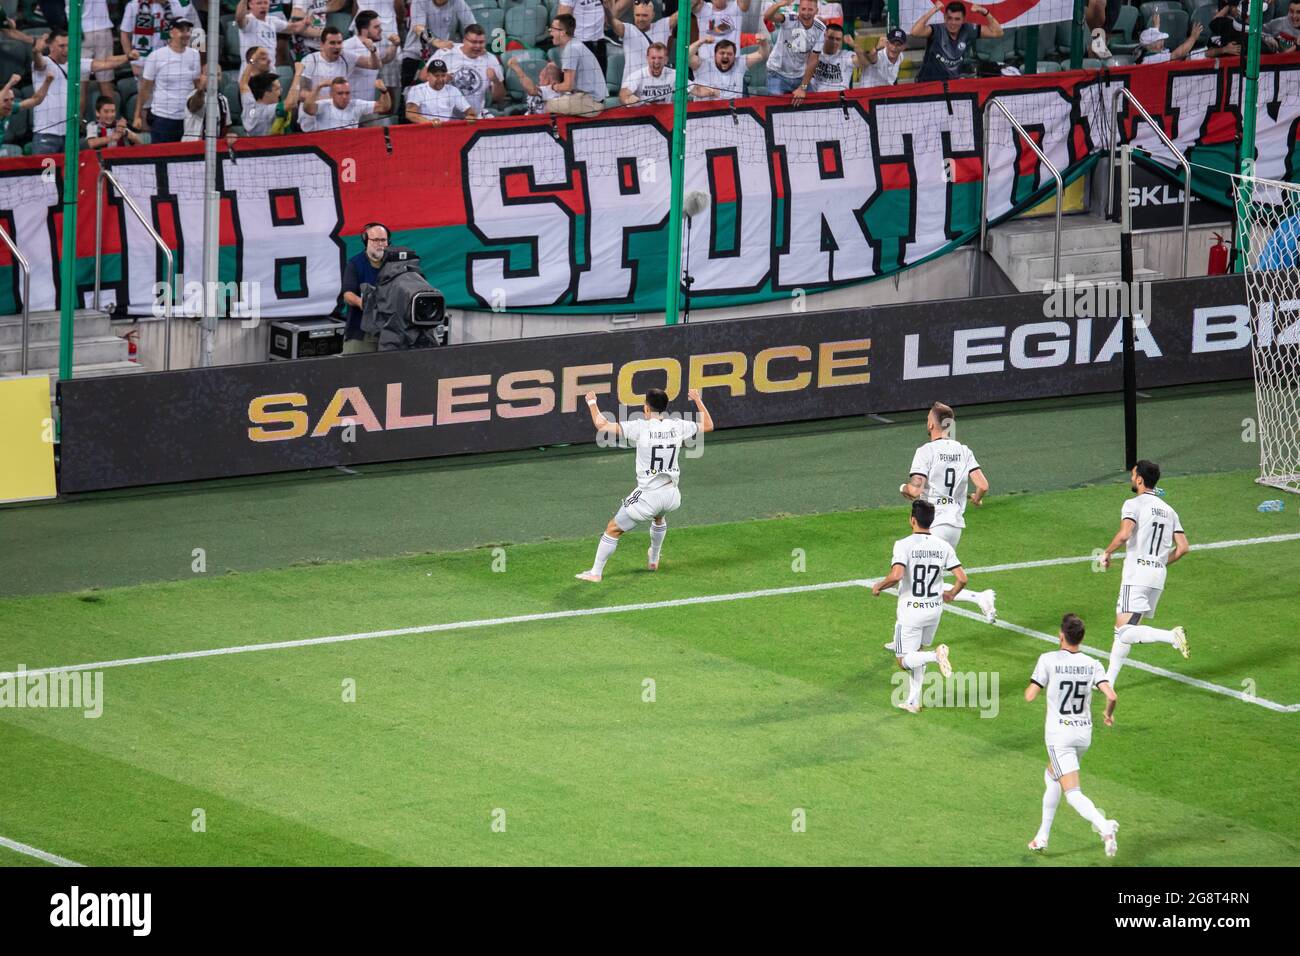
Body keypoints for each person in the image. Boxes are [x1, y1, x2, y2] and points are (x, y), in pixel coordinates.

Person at [576, 387, 713, 582]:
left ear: (646, 408)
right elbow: (708, 425)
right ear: (665, 408)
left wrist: (591, 402)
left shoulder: (640, 428)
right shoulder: (677, 425)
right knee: (659, 517)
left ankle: (595, 573)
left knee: (613, 529)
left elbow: (602, 425)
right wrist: (697, 400)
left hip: (649, 496)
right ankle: (653, 559)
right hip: (672, 495)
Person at [1025, 613, 1119, 857]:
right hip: (1083, 735)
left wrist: (1037, 686)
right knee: (1052, 775)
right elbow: (1112, 696)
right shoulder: (1093, 663)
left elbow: (1030, 695)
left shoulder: (1048, 660)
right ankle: (1042, 836)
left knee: (1073, 793)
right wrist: (1108, 715)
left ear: (1061, 635)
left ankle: (1104, 826)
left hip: (1059, 737)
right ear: (1082, 637)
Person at [898, 402, 997, 623]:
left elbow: (915, 489)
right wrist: (976, 500)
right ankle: (980, 597)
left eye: (927, 419)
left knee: (913, 578)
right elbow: (983, 485)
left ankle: (904, 642)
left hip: (933, 524)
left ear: (932, 424)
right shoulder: (963, 450)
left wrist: (903, 488)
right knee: (924, 579)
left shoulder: (926, 451)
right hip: (954, 525)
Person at [1098, 460, 1190, 687]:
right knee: (1122, 629)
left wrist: (1106, 553)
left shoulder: (1133, 504)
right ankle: (1108, 680)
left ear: (1139, 479)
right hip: (1157, 575)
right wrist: (1158, 562)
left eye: (1132, 475)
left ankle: (1171, 636)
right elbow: (1183, 548)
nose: (1131, 479)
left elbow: (1124, 534)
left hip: (1137, 574)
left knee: (1124, 632)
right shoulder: (1170, 511)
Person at [870, 498, 965, 714]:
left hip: (911, 611)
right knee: (917, 652)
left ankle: (936, 655)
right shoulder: (943, 546)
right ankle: (913, 701)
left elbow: (896, 575)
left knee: (903, 661)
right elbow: (962, 578)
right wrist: (951, 593)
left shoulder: (903, 544)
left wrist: (879, 586)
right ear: (931, 521)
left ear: (912, 520)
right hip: (934, 610)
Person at [31, 30, 136, 155]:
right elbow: (38, 62)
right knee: (47, 175)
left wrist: (128, 56)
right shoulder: (43, 63)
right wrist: (36, 51)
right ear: (51, 46)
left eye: (68, 45)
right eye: (61, 46)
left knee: (69, 174)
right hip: (46, 135)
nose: (66, 49)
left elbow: (104, 63)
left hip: (69, 135)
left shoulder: (76, 64)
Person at [133, 17, 200, 144]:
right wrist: (137, 116)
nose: (186, 34)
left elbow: (196, 86)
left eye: (188, 30)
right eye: (182, 30)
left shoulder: (194, 55)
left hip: (188, 119)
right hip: (163, 119)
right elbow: (145, 89)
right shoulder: (156, 56)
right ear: (171, 33)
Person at [300, 26, 380, 131]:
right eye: (332, 43)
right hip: (313, 114)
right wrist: (329, 101)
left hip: (337, 114)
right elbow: (301, 94)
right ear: (322, 45)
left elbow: (374, 65)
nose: (337, 46)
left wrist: (373, 50)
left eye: (339, 43)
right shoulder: (310, 60)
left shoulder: (345, 57)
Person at [912, 0, 1002, 84]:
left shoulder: (967, 29)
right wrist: (934, 9)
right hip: (928, 83)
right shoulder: (937, 30)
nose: (953, 23)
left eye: (957, 19)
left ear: (963, 20)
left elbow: (998, 32)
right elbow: (915, 32)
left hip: (951, 84)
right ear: (945, 18)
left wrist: (984, 11)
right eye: (949, 18)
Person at [402, 0, 476, 88]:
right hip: (416, 54)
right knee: (409, 92)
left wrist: (476, 42)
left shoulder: (458, 2)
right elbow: (419, 27)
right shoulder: (419, 1)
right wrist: (435, 41)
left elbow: (471, 26)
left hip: (442, 55)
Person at [341, 222, 390, 353]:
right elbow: (347, 294)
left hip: (390, 332)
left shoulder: (395, 263)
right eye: (376, 240)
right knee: (354, 370)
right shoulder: (354, 264)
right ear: (366, 241)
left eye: (383, 240)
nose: (380, 244)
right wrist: (363, 303)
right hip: (360, 332)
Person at [763, 0, 826, 102]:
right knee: (776, 108)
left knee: (813, 105)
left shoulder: (820, 29)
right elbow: (767, 17)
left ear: (816, 11)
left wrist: (803, 87)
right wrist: (781, 4)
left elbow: (813, 60)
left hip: (800, 75)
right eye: (803, 9)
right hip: (777, 73)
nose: (806, 13)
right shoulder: (789, 18)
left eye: (810, 9)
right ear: (799, 9)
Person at [609, 0, 679, 91]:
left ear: (653, 15)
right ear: (633, 15)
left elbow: (685, 9)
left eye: (645, 15)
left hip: (658, 87)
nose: (641, 19)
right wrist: (606, 8)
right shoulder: (627, 29)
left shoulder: (663, 26)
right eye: (637, 15)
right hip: (632, 88)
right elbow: (610, 20)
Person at [439, 23, 505, 116]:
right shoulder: (447, 53)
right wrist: (442, 79)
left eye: (481, 42)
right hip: (446, 116)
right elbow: (423, 77)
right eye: (474, 42)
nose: (478, 46)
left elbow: (499, 98)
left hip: (474, 116)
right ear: (464, 41)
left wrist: (496, 81)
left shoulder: (491, 59)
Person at [546, 15, 606, 115]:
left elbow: (568, 86)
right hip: (591, 99)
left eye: (552, 29)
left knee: (548, 104)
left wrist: (552, 87)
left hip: (591, 103)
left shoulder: (571, 49)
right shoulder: (575, 44)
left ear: (563, 32)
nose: (550, 32)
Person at [343, 10, 401, 100]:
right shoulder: (347, 46)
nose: (381, 29)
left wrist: (395, 45)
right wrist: (373, 50)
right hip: (348, 103)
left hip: (368, 105)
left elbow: (386, 58)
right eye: (376, 27)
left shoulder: (374, 45)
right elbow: (372, 63)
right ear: (364, 30)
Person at [688, 36, 766, 100]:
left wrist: (764, 43)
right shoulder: (702, 65)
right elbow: (685, 56)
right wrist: (701, 41)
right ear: (715, 54)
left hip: (734, 113)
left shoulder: (739, 63)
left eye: (729, 54)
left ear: (734, 56)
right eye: (722, 53)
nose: (725, 56)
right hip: (705, 114)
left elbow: (763, 55)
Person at [68, 0, 117, 100]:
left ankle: (79, 116)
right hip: (102, 29)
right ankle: (111, 115)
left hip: (78, 30)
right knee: (105, 80)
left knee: (80, 83)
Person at [119, 0, 185, 75]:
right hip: (142, 60)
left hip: (169, 59)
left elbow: (182, 33)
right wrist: (131, 60)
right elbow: (124, 34)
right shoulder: (134, 5)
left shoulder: (174, 4)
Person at [303, 75, 390, 130]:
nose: (344, 97)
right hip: (326, 145)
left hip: (348, 147)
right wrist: (318, 87)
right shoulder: (324, 105)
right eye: (340, 93)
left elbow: (384, 107)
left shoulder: (356, 105)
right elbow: (307, 108)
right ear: (331, 94)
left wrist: (384, 91)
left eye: (347, 93)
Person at [236, 0, 308, 66]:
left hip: (270, 72)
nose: (263, 6)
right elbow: (239, 18)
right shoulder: (248, 20)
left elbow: (294, 28)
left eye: (265, 3)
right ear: (250, 4)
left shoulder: (272, 20)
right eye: (259, 3)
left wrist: (306, 23)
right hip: (251, 71)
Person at [242, 59, 303, 135]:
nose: (281, 92)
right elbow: (291, 103)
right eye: (277, 89)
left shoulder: (248, 103)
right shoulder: (264, 111)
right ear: (266, 93)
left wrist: (252, 59)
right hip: (265, 145)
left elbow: (243, 83)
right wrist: (298, 73)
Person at [405, 57, 475, 123]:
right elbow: (410, 114)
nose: (441, 79)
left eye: (443, 75)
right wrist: (429, 123)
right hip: (424, 130)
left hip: (445, 130)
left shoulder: (453, 90)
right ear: (428, 76)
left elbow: (469, 110)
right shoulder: (417, 90)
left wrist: (470, 116)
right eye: (437, 75)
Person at [558, 0, 612, 74]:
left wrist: (608, 8)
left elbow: (608, 21)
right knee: (580, 83)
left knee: (601, 82)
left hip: (600, 43)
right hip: (579, 44)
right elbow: (562, 23)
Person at [183, 71, 233, 141]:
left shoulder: (223, 100)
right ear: (201, 77)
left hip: (214, 147)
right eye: (208, 75)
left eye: (217, 75)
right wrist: (201, 89)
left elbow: (226, 127)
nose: (213, 78)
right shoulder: (192, 95)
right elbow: (194, 107)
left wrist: (228, 136)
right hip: (192, 146)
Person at [1136, 15, 1203, 64]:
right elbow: (1177, 55)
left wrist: (1156, 25)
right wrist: (1193, 37)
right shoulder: (1151, 58)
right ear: (1149, 45)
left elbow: (1152, 36)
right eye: (1158, 40)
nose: (1162, 42)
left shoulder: (1150, 50)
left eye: (1162, 39)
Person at [809, 22, 854, 92]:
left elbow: (864, 62)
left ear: (842, 40)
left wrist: (854, 45)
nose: (834, 42)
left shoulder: (846, 55)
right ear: (824, 36)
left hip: (838, 100)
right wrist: (803, 87)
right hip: (816, 98)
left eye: (838, 39)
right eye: (831, 38)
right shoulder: (814, 53)